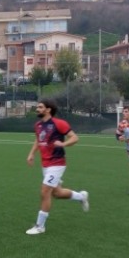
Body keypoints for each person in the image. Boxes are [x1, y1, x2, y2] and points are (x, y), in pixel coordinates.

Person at [25, 98, 89, 235]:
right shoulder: (38, 125)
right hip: (45, 164)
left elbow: (74, 138)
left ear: (48, 110)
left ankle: (40, 226)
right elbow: (38, 139)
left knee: (44, 192)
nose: (37, 109)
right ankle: (81, 197)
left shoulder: (59, 123)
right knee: (57, 193)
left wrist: (63, 144)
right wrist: (31, 154)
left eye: (40, 107)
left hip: (57, 163)